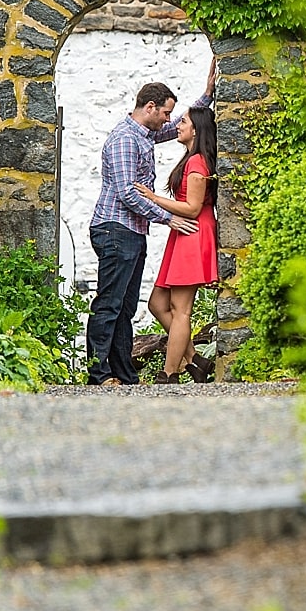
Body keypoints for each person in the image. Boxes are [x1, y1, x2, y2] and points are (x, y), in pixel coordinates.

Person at [85, 67, 213, 386]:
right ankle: (100, 374)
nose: (169, 120)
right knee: (109, 304)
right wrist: (168, 217)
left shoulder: (145, 133)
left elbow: (184, 129)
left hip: (131, 232)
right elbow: (128, 193)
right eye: (166, 113)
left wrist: (207, 96)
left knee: (125, 307)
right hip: (116, 229)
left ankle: (124, 374)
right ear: (150, 108)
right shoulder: (125, 139)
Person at [136, 102, 219, 383]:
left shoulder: (197, 163)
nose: (178, 126)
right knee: (158, 303)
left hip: (191, 231)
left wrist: (154, 198)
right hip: (183, 233)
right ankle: (195, 360)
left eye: (183, 121)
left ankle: (170, 373)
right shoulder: (192, 158)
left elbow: (193, 207)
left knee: (181, 310)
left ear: (196, 130)